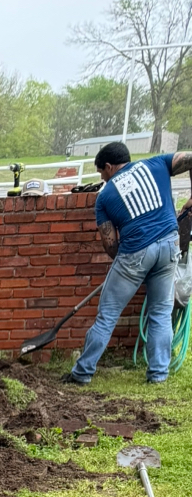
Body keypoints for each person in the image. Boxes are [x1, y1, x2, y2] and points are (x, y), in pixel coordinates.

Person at [64, 140, 192, 385]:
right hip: (169, 246)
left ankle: (81, 374)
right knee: (161, 313)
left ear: (109, 167)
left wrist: (128, 266)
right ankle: (158, 375)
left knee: (107, 315)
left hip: (135, 252)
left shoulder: (105, 197)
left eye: (102, 173)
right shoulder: (159, 163)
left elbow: (110, 244)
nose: (102, 179)